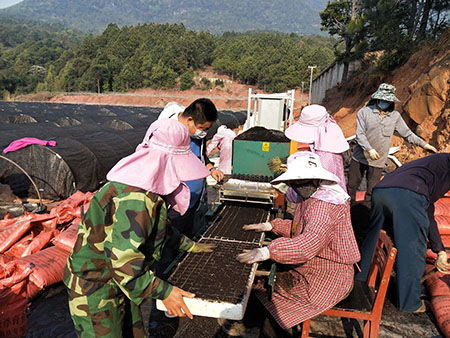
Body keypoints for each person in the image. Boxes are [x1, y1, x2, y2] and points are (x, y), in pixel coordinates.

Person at [64, 119, 215, 337]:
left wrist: (191, 247)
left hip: (120, 280)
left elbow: (159, 228)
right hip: (96, 286)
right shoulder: (136, 198)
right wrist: (165, 292)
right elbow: (124, 261)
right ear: (167, 163)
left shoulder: (149, 190)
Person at [237, 151, 360, 335]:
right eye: (293, 183)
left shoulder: (324, 205)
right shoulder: (313, 196)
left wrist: (268, 251)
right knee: (263, 285)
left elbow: (307, 244)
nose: (296, 187)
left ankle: (272, 328)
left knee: (269, 294)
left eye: (300, 182)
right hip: (315, 266)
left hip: (328, 277)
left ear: (316, 179)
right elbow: (301, 228)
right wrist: (271, 225)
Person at [356, 153, 450, 313]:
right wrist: (439, 250)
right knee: (413, 248)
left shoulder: (432, 164)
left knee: (373, 239)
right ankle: (410, 304)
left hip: (381, 191)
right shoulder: (443, 168)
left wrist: (439, 249)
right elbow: (423, 205)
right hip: (407, 196)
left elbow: (427, 207)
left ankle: (358, 285)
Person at [156, 98, 224, 279]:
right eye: (202, 129)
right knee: (168, 250)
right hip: (174, 208)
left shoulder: (194, 134)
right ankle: (166, 285)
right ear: (190, 120)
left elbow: (201, 157)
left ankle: (182, 277)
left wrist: (211, 169)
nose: (203, 133)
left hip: (193, 202)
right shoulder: (166, 134)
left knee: (186, 244)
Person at [347, 83, 437, 207]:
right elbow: (360, 134)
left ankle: (366, 218)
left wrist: (424, 145)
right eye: (383, 100)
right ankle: (349, 213)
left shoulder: (395, 117)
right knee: (351, 187)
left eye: (388, 101)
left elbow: (407, 134)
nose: (385, 102)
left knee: (372, 192)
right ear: (377, 98)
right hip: (359, 158)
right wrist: (369, 149)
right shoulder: (364, 112)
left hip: (378, 161)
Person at [284, 104, 349, 203]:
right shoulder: (325, 147)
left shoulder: (325, 156)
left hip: (322, 205)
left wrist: (289, 189)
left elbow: (308, 189)